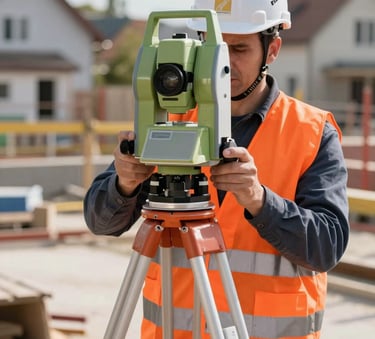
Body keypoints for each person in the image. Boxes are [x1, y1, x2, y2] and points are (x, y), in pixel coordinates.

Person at [84, 0, 350, 338]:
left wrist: (260, 200)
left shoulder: (311, 132)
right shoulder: (171, 116)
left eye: (238, 48)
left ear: (272, 50)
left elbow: (327, 247)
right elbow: (99, 222)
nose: (224, 61)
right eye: (214, 46)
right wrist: (124, 184)